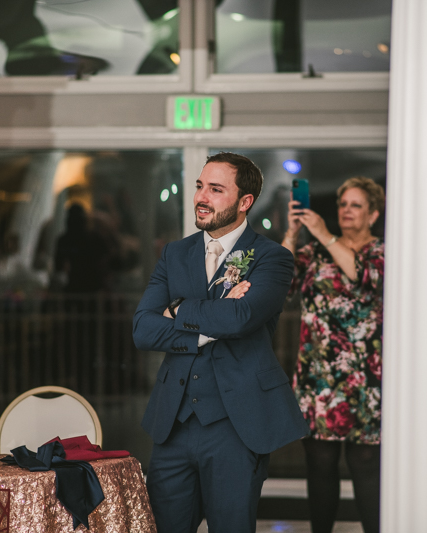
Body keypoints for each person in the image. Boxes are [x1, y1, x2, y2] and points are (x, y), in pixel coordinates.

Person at [133, 152, 308, 533]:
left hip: (237, 423)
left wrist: (176, 309)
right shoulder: (175, 253)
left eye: (215, 189)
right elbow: (143, 330)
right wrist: (211, 321)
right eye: (199, 186)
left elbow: (242, 317)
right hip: (173, 425)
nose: (202, 196)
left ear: (245, 202)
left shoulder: (272, 258)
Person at [282, 176, 384, 533]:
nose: (346, 211)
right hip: (319, 378)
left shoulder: (381, 253)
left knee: (367, 465)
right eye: (343, 204)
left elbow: (362, 276)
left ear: (373, 214)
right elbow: (281, 284)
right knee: (320, 464)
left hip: (366, 381)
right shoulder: (313, 255)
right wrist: (293, 234)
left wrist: (325, 234)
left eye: (355, 205)